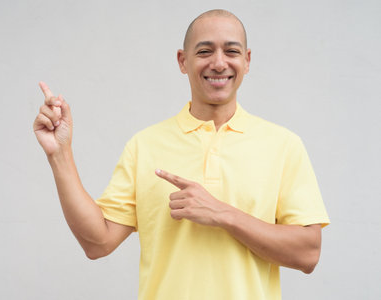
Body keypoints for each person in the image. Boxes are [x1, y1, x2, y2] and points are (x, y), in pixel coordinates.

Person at [33, 9, 330, 300]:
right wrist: (60, 154)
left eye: (231, 51)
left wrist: (223, 214)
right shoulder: (145, 145)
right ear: (182, 61)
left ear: (247, 61)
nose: (218, 62)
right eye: (204, 51)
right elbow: (97, 242)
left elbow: (308, 252)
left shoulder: (283, 145)